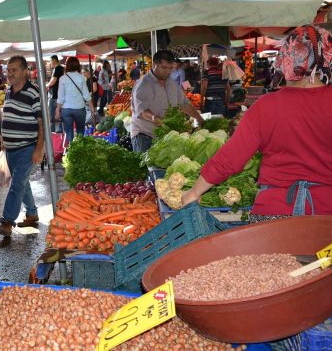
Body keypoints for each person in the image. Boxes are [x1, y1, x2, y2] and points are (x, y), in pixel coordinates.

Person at [182, 25, 332, 220]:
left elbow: (231, 157)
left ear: (286, 58)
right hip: (325, 217)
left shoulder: (266, 106)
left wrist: (194, 192)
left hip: (274, 214)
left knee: (273, 253)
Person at [0, 56, 44, 237]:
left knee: (16, 184)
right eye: (8, 70)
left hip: (27, 147)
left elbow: (41, 123)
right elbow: (7, 116)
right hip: (10, 148)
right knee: (22, 182)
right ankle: (32, 213)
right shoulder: (8, 91)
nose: (10, 74)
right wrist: (4, 141)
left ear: (25, 71)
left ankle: (7, 221)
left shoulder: (33, 92)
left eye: (14, 70)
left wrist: (39, 148)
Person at [130, 50, 204, 153]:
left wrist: (200, 119)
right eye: (164, 68)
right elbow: (142, 111)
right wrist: (154, 117)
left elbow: (184, 104)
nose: (167, 72)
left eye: (170, 68)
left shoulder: (172, 83)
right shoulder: (144, 85)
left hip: (163, 136)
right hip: (144, 136)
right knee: (146, 168)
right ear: (155, 65)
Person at [55, 57, 96, 145]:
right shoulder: (81, 77)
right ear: (77, 65)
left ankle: (71, 150)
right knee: (80, 131)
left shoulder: (62, 78)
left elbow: (60, 97)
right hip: (79, 108)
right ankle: (80, 149)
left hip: (66, 109)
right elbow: (86, 95)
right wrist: (92, 108)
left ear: (67, 65)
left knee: (69, 132)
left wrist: (57, 110)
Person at [45, 55, 65, 134]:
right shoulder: (60, 68)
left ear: (54, 60)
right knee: (58, 113)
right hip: (58, 94)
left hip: (54, 95)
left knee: (52, 113)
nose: (50, 63)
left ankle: (53, 131)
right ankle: (57, 130)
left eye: (50, 61)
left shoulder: (57, 68)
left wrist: (47, 85)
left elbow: (54, 80)